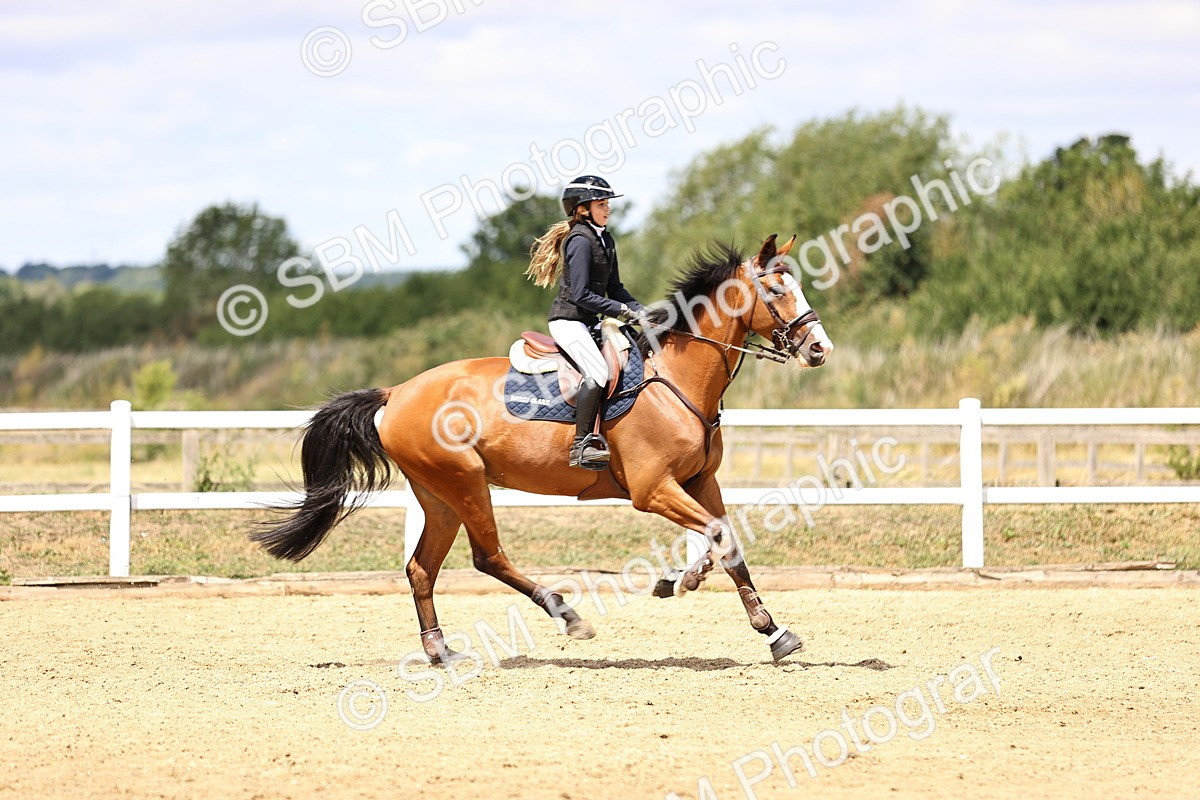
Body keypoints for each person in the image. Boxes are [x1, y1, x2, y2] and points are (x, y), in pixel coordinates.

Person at [526, 175, 645, 470]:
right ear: (583, 209)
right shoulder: (579, 240)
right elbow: (580, 295)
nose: (608, 209)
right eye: (602, 204)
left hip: (589, 321)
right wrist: (620, 310)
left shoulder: (605, 238)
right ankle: (581, 445)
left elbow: (615, 288)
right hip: (568, 321)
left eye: (607, 204)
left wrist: (641, 311)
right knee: (598, 370)